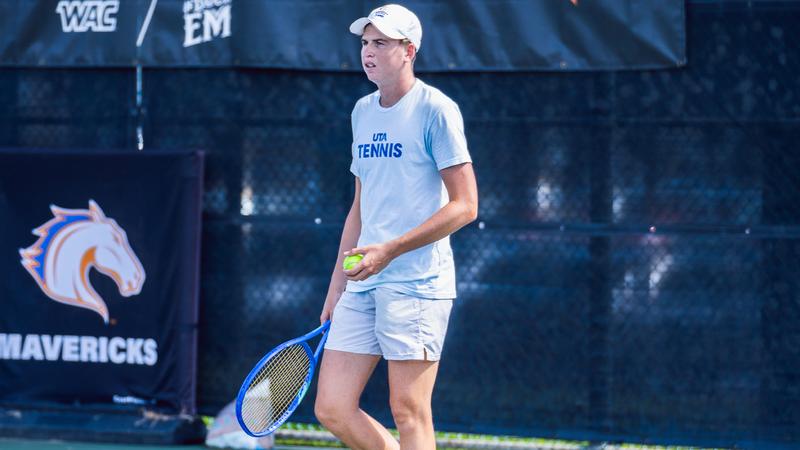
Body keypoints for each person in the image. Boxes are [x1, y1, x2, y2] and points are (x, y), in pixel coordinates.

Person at [314, 4, 478, 449]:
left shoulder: (436, 110)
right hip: (362, 282)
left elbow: (465, 206)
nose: (368, 52)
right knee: (332, 407)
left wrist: (391, 249)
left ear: (408, 51)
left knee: (408, 410)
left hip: (417, 284)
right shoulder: (362, 111)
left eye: (381, 43)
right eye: (365, 42)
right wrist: (336, 284)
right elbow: (360, 206)